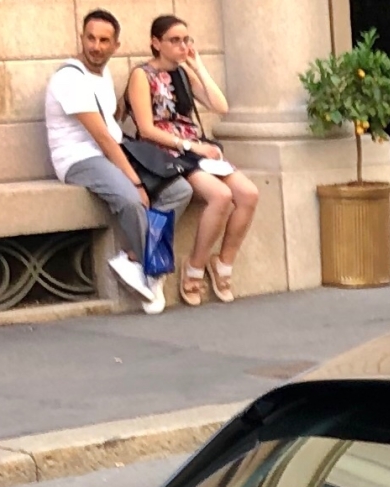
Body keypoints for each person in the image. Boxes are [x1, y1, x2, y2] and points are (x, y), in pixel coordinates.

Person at [46, 10, 191, 313]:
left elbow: (111, 124)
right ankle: (155, 272)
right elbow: (101, 138)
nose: (95, 46)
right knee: (130, 200)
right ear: (82, 38)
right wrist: (136, 182)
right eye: (90, 38)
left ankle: (136, 259)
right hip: (79, 159)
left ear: (116, 45)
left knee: (179, 190)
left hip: (113, 151)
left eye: (103, 40)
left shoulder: (103, 73)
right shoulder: (69, 79)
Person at [125, 14, 257, 305]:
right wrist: (189, 146)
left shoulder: (185, 73)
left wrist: (197, 65)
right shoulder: (141, 75)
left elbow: (220, 106)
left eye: (186, 40)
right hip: (168, 151)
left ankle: (223, 263)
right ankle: (194, 267)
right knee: (220, 196)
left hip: (197, 148)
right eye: (174, 40)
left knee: (248, 193)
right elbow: (146, 128)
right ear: (155, 43)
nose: (182, 46)